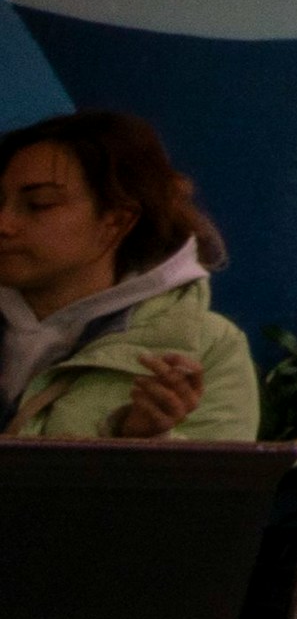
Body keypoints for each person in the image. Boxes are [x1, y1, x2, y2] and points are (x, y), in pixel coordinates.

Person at [0, 108, 251, 439]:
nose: (4, 224)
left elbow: (220, 487)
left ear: (116, 221)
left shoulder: (210, 348)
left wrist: (143, 442)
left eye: (40, 204)